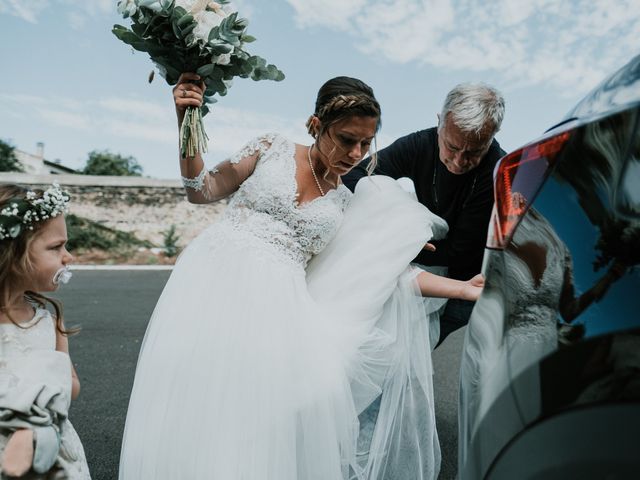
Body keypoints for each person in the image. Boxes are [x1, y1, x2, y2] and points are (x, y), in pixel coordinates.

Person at [119, 74, 483, 480]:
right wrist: (185, 121)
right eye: (347, 139)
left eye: (366, 143)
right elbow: (200, 189)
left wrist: (463, 288)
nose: (356, 153)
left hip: (277, 308)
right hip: (211, 281)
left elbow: (388, 274)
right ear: (316, 125)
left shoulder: (347, 201)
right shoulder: (271, 148)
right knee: (195, 396)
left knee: (252, 415)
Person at [343, 83, 506, 346]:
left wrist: (395, 248)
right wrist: (390, 220)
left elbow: (459, 251)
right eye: (452, 147)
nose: (460, 161)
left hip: (469, 281)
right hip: (418, 265)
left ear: (493, 135)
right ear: (440, 122)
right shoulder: (419, 143)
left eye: (474, 152)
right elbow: (355, 176)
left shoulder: (498, 173)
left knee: (408, 356)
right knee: (369, 347)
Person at [0, 184, 91, 479]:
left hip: (49, 434)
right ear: (12, 255)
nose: (68, 257)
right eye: (55, 247)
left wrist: (44, 381)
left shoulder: (49, 320)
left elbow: (72, 386)